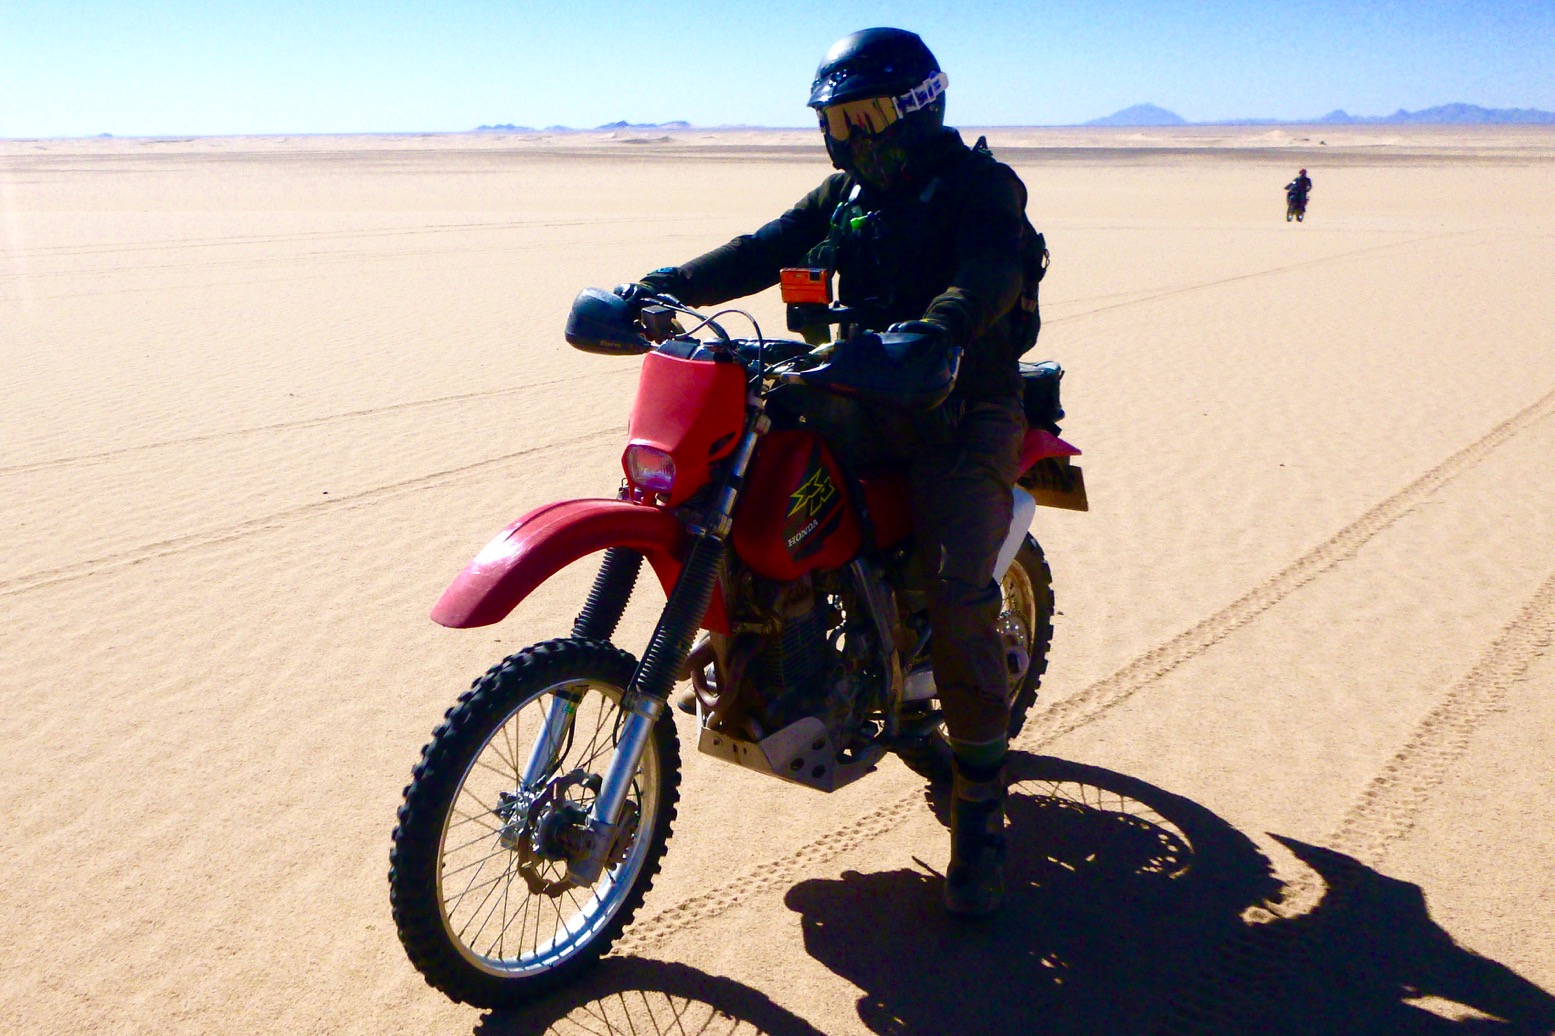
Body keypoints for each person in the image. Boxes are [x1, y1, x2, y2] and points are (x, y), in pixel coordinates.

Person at [614, 27, 1036, 917]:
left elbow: (992, 269)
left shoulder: (978, 186)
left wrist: (942, 330)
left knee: (957, 595)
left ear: (917, 108)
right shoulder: (843, 195)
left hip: (962, 407)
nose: (849, 136)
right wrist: (665, 287)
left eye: (865, 116)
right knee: (743, 492)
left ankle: (980, 809)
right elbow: (764, 246)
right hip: (858, 392)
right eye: (835, 120)